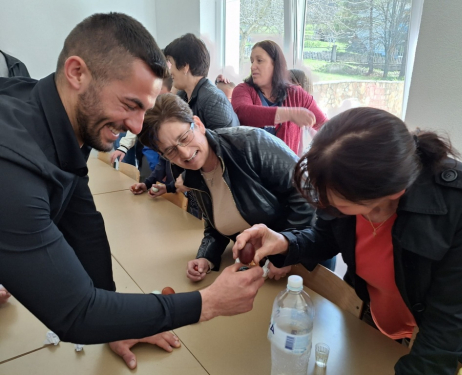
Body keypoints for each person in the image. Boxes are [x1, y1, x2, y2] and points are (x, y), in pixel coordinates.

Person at [0, 12, 264, 370]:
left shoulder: (57, 115)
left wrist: (118, 322)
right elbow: (75, 313)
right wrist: (208, 303)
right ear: (77, 73)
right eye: (130, 105)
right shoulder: (13, 166)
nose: (137, 126)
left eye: (146, 109)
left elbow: (85, 224)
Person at [233, 107, 462, 374]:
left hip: (433, 342)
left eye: (340, 205)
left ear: (391, 194)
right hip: (373, 322)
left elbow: (449, 325)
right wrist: (285, 242)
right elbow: (326, 237)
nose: (328, 207)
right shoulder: (345, 181)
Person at [138, 94, 315, 281]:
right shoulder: (191, 172)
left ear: (198, 124)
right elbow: (218, 222)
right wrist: (206, 257)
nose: (184, 153)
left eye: (184, 137)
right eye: (170, 150)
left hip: (303, 261)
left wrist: (285, 253)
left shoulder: (250, 143)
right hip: (264, 268)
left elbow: (307, 194)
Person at [131, 34, 240, 215]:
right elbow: (169, 151)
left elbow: (226, 153)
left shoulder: (212, 100)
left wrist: (182, 181)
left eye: (170, 63)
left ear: (185, 66)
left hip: (219, 198)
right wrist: (152, 182)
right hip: (197, 193)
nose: (169, 70)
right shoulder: (182, 98)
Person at [231, 40, 327, 155]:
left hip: (286, 171)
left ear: (275, 64)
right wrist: (290, 114)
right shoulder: (243, 89)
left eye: (259, 61)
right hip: (249, 170)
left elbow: (325, 126)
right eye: (252, 61)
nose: (253, 66)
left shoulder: (297, 94)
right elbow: (243, 113)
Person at [109, 71, 174, 169]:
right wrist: (124, 147)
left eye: (159, 89)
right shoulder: (151, 102)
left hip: (165, 157)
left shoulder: (173, 107)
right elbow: (138, 123)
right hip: (149, 152)